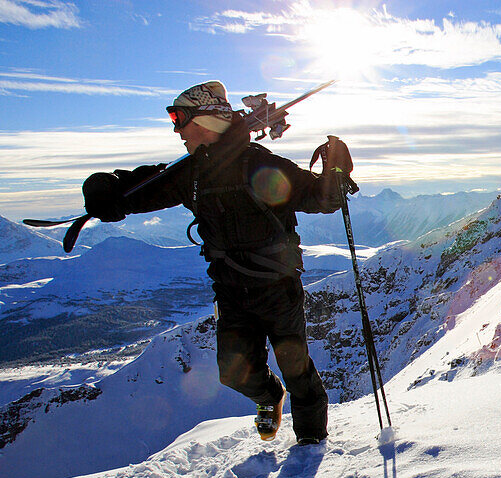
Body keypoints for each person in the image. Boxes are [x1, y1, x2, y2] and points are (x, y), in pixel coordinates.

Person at [81, 81, 356, 445]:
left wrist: (335, 175)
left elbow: (320, 198)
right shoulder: (192, 174)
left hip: (278, 288)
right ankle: (269, 397)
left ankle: (309, 443)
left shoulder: (261, 166)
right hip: (229, 290)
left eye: (181, 119)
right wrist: (111, 191)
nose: (177, 130)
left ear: (208, 120)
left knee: (296, 370)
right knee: (235, 373)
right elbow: (144, 189)